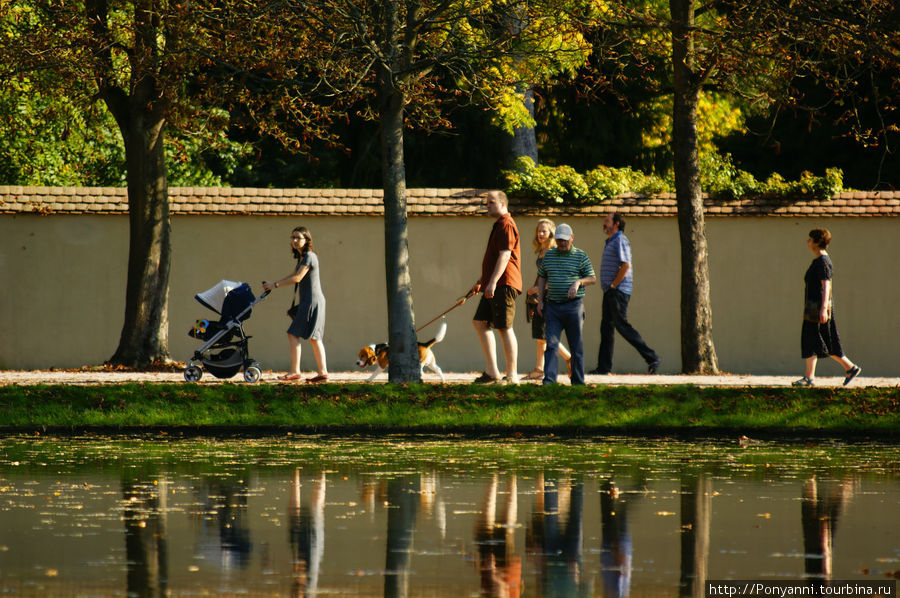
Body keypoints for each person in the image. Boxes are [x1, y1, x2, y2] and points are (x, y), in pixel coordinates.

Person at [590, 213, 660, 375]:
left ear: (616, 224)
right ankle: (603, 367)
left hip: (617, 291)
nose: (604, 223)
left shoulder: (620, 240)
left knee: (622, 326)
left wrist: (614, 285)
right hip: (610, 291)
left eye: (607, 221)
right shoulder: (611, 241)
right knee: (606, 328)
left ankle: (652, 357)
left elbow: (626, 265)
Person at [792, 228, 861, 386]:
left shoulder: (823, 262)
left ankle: (810, 378)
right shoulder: (819, 261)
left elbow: (827, 286)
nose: (807, 242)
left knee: (817, 339)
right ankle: (848, 368)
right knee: (820, 340)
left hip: (818, 308)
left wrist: (823, 309)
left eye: (810, 239)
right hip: (813, 308)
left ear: (817, 242)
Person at [263, 226, 329, 383]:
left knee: (294, 334)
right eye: (292, 237)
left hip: (312, 302)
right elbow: (293, 275)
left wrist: (275, 285)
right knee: (314, 338)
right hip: (311, 301)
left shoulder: (309, 257)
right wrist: (273, 283)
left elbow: (298, 278)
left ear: (306, 240)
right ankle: (322, 373)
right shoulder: (302, 258)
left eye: (298, 238)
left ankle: (295, 371)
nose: (294, 240)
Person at [470, 190, 522, 383]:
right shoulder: (499, 225)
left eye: (491, 202)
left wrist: (491, 283)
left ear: (502, 204)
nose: (487, 206)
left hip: (504, 283)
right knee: (480, 322)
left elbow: (505, 255)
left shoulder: (506, 224)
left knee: (505, 327)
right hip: (494, 283)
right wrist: (482, 281)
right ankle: (492, 372)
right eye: (487, 203)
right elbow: (494, 259)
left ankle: (512, 376)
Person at [535, 223, 596, 385]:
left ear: (572, 238)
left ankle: (577, 381)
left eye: (565, 240)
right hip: (553, 306)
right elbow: (542, 277)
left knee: (576, 346)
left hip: (573, 306)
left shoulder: (580, 256)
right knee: (552, 345)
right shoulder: (549, 256)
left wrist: (578, 283)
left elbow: (592, 278)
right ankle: (549, 381)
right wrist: (540, 301)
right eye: (559, 240)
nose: (562, 243)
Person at [525, 219, 573, 380]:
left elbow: (555, 275)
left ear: (551, 233)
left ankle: (568, 357)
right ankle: (539, 369)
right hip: (542, 296)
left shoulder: (553, 250)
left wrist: (538, 289)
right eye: (538, 231)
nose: (540, 234)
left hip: (551, 295)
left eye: (544, 231)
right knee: (541, 335)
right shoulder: (542, 251)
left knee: (544, 334)